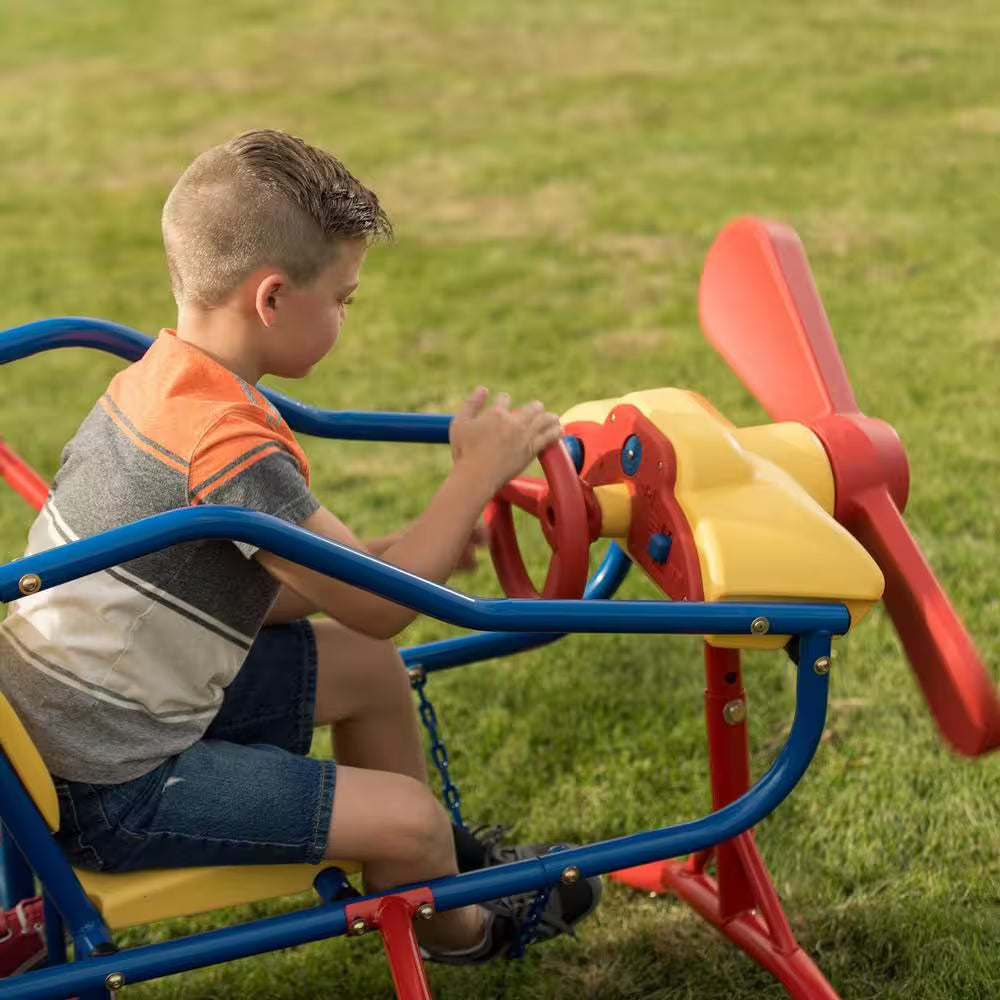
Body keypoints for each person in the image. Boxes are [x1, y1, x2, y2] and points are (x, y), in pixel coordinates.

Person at [0, 129, 600, 964]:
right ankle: (466, 928)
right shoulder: (228, 442)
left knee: (362, 667)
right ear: (272, 299)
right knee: (411, 815)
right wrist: (476, 473)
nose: (349, 314)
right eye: (346, 298)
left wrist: (402, 545)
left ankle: (432, 869)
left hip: (70, 723)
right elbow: (387, 605)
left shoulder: (154, 383)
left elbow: (229, 586)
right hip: (112, 786)